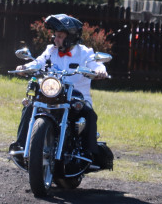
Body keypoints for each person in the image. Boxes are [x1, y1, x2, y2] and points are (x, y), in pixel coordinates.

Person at [10, 14, 108, 160]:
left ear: (72, 36)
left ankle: (90, 152)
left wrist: (100, 70)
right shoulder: (51, 50)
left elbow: (96, 64)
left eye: (60, 36)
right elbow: (38, 62)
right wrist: (25, 67)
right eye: (55, 35)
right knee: (30, 106)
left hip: (76, 97)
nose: (56, 39)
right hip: (52, 94)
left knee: (89, 114)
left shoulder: (85, 53)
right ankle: (21, 146)